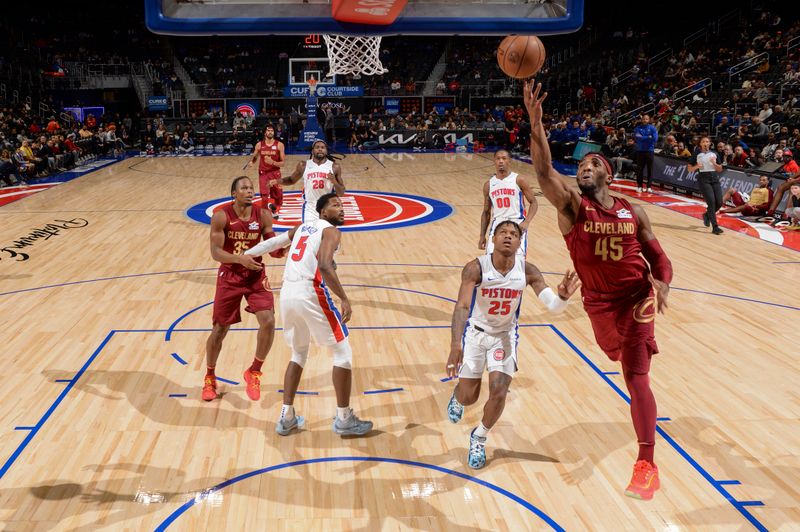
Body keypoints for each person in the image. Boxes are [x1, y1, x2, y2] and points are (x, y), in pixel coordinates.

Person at [525, 80, 673, 501]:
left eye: (592, 163)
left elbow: (660, 259)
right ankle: (645, 453)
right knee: (622, 363)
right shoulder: (573, 207)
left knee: (636, 375)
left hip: (637, 297)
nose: (584, 168)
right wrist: (537, 126)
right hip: (599, 305)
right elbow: (543, 172)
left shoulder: (633, 210)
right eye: (581, 165)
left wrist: (661, 283)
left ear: (608, 171)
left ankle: (646, 463)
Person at [446, 221, 579, 469]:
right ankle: (457, 397)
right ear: (493, 239)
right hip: (475, 334)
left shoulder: (528, 271)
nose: (508, 237)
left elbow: (553, 306)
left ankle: (479, 436)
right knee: (469, 396)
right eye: (503, 233)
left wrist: (561, 297)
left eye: (514, 234)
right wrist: (455, 345)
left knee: (498, 391)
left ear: (520, 243)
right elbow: (462, 306)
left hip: (505, 336)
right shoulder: (475, 268)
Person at [245, 193, 372, 437]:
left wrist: (247, 254)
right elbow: (324, 265)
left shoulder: (302, 227)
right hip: (309, 291)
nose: (342, 209)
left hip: (287, 293)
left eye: (342, 205)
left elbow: (273, 243)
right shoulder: (331, 231)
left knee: (299, 353)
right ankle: (344, 418)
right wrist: (344, 298)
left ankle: (287, 416)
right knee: (343, 352)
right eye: (336, 205)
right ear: (323, 212)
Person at [202, 176, 284, 403]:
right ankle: (209, 376)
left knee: (268, 320)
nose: (250, 191)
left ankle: (254, 371)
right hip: (230, 275)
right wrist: (240, 259)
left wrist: (281, 250)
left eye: (251, 188)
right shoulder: (221, 216)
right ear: (234, 193)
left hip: (256, 274)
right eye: (244, 188)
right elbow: (216, 253)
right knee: (220, 330)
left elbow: (271, 243)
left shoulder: (263, 215)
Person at [479, 150, 538, 256]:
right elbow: (486, 212)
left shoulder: (518, 179)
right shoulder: (488, 185)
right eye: (498, 158)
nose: (501, 161)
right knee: (491, 259)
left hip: (517, 223)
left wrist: (527, 222)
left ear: (509, 161)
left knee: (517, 259)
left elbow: (533, 202)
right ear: (494, 161)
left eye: (504, 158)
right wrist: (482, 236)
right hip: (498, 224)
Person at [282, 139, 344, 223]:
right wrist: (278, 181)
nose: (320, 149)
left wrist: (334, 181)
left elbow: (341, 193)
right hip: (310, 208)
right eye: (317, 147)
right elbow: (291, 180)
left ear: (326, 151)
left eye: (322, 147)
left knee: (328, 234)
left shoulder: (334, 167)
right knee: (309, 234)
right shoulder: (303, 165)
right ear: (312, 151)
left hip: (328, 208)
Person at [687, 137, 725, 235]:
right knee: (711, 203)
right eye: (703, 141)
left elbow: (720, 169)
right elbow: (689, 169)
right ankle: (715, 227)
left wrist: (714, 163)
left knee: (719, 202)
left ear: (710, 143)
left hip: (715, 178)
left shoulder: (715, 153)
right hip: (703, 179)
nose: (705, 143)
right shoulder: (696, 154)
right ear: (700, 144)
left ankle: (707, 215)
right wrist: (696, 167)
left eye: (707, 141)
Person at [247, 125, 286, 217]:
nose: (270, 132)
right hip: (263, 173)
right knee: (264, 196)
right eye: (268, 131)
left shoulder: (279, 145)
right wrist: (252, 162)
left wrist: (272, 162)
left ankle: (273, 208)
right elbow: (255, 156)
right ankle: (263, 215)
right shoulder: (259, 145)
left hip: (275, 173)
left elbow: (283, 163)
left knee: (279, 198)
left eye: (272, 131)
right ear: (265, 133)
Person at [633, 114, 658, 193]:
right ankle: (640, 186)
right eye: (643, 119)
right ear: (641, 120)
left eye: (646, 119)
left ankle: (649, 187)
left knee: (650, 169)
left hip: (650, 151)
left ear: (649, 120)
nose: (645, 120)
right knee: (639, 169)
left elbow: (655, 139)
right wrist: (648, 137)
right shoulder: (637, 128)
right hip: (640, 151)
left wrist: (644, 138)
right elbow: (637, 138)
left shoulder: (653, 128)